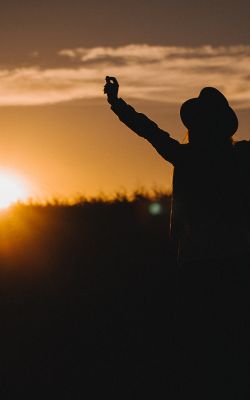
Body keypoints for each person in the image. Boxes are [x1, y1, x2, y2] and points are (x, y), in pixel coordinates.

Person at [104, 76, 250, 397]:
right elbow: (149, 130)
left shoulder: (186, 155)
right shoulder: (241, 156)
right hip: (238, 258)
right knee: (232, 338)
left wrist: (117, 103)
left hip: (198, 261)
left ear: (195, 125)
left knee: (201, 341)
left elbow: (148, 130)